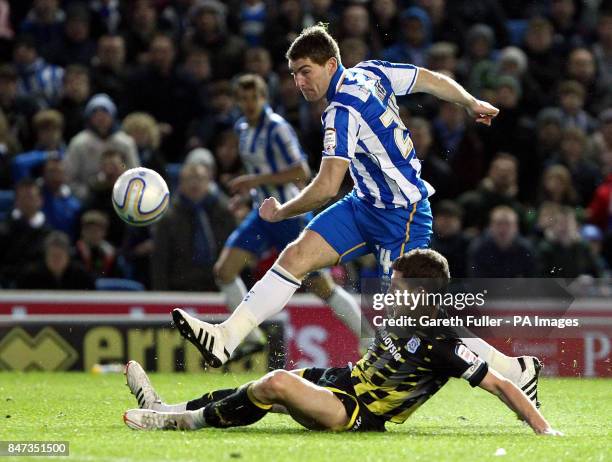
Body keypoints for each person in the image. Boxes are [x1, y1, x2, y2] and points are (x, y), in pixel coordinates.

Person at [172, 25, 537, 404]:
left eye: (306, 71)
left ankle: (512, 370)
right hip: (365, 204)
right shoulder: (371, 71)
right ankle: (226, 337)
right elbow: (426, 79)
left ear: (331, 64)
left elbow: (328, 185)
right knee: (295, 257)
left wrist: (282, 211)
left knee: (415, 320)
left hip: (403, 215)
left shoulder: (341, 110)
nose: (299, 82)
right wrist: (469, 101)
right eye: (294, 73)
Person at [123, 250, 560, 436]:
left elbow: (500, 386)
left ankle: (179, 424)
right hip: (341, 381)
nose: (391, 289)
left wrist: (543, 427)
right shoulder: (399, 314)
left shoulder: (439, 341)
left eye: (399, 285)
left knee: (275, 384)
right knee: (261, 390)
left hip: (357, 412)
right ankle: (167, 410)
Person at [213, 74, 366, 348]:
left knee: (321, 287)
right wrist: (249, 195)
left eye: (254, 98)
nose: (249, 104)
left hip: (289, 215)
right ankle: (249, 338)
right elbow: (260, 172)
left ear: (264, 98)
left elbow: (301, 172)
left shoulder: (277, 128)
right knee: (224, 270)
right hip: (262, 215)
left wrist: (254, 182)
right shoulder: (243, 129)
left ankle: (367, 338)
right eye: (244, 99)